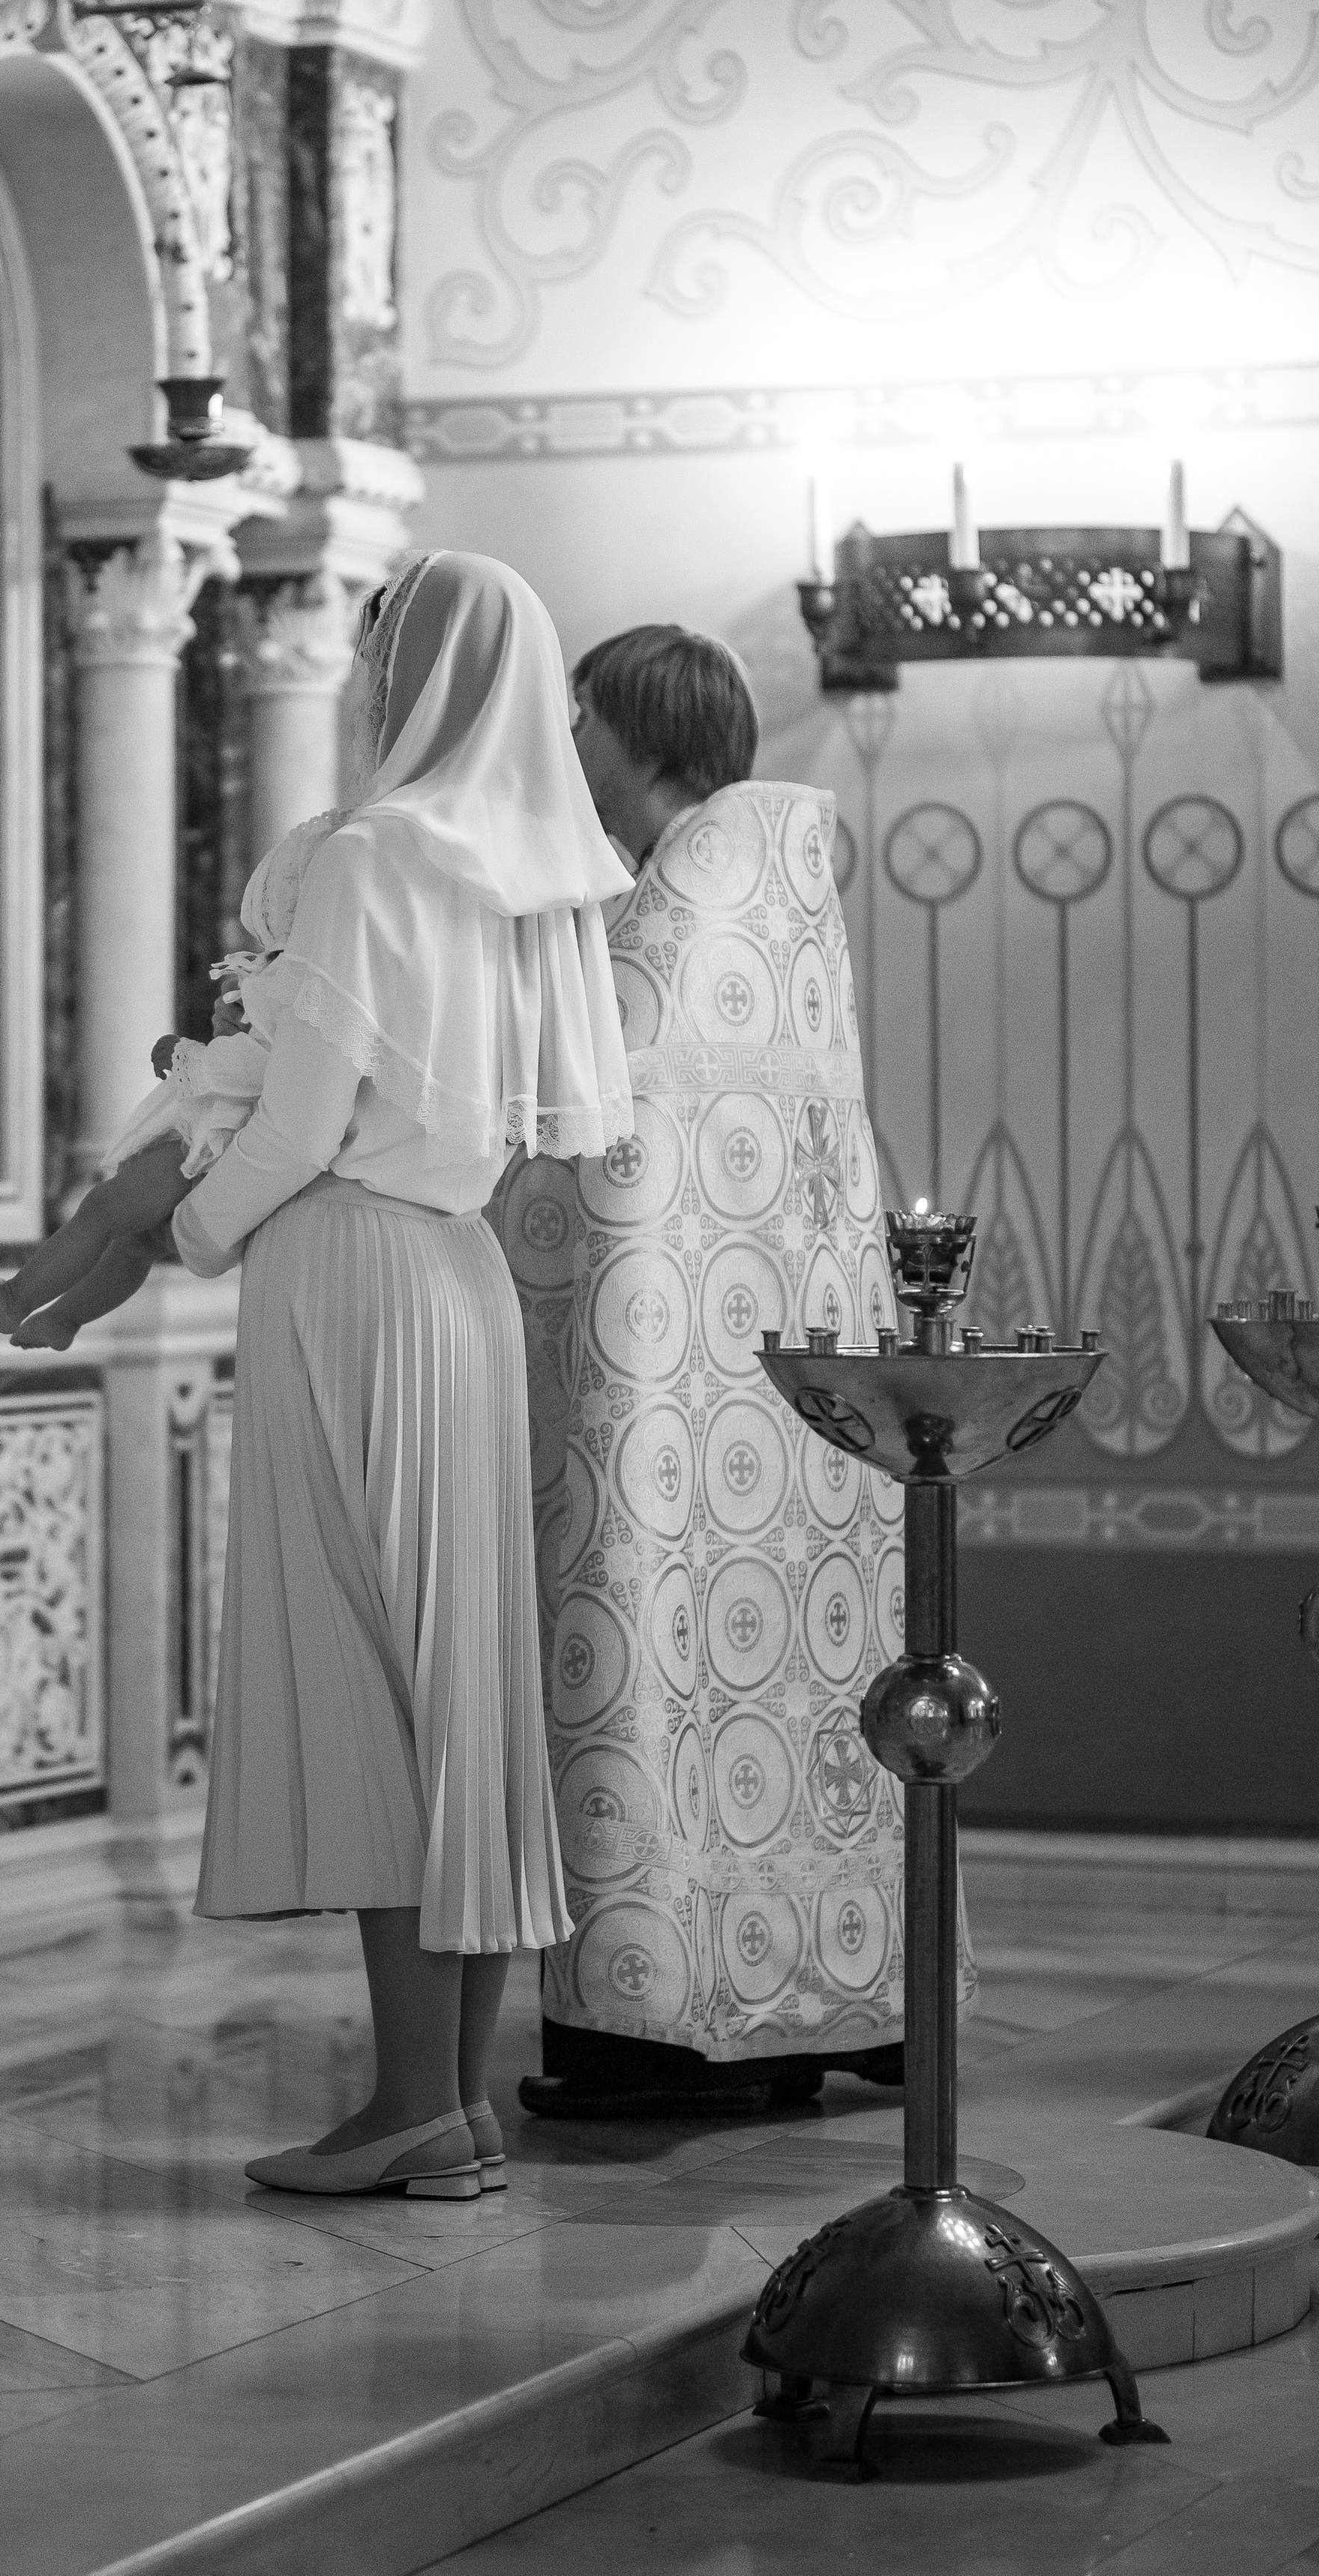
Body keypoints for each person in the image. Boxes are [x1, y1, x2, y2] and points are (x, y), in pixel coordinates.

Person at [173, 551, 635, 2200]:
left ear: (415, 672)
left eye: (378, 649)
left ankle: (405, 2110)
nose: (364, 678)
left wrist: (190, 1222)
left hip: (348, 1270)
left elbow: (300, 1122)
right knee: (466, 1690)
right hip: (460, 1280)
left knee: (367, 1677)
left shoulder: (371, 857)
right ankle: (457, 2104)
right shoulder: (525, 880)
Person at [497, 623, 936, 2117]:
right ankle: (825, 2006)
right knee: (802, 1680)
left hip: (660, 1394)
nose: (567, 750)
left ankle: (657, 2036)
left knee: (658, 1654)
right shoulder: (775, 897)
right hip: (784, 1397)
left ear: (637, 732)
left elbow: (579, 1147)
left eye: (581, 723)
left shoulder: (657, 917)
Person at [0, 810, 343, 1348]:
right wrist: (223, 1029)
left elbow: (263, 1063)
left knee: (106, 1210)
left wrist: (190, 1057)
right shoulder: (287, 975)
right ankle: (66, 1317)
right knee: (134, 1240)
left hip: (219, 1137)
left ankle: (20, 1297)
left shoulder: (305, 983)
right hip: (218, 1126)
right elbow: (256, 1044)